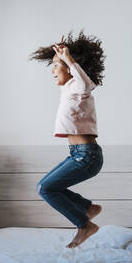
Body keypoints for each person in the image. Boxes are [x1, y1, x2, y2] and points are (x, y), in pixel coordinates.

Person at [31, 31, 105, 248]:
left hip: (87, 155)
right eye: (53, 66)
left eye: (57, 65)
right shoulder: (68, 89)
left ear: (72, 66)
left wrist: (68, 58)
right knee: (43, 187)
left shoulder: (81, 87)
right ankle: (87, 208)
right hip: (78, 154)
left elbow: (85, 84)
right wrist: (61, 57)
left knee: (45, 188)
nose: (53, 70)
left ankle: (85, 225)